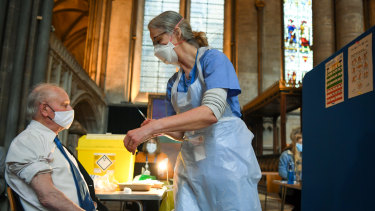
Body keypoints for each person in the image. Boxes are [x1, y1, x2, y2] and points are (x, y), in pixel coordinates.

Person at [123, 11, 261, 211]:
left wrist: (157, 126)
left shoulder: (213, 60)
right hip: (191, 164)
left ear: (176, 33)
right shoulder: (174, 83)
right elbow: (181, 133)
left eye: (158, 40)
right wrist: (155, 128)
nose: (155, 49)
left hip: (227, 159)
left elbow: (210, 113)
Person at [5, 83, 107, 211]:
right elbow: (48, 196)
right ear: (45, 110)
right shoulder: (28, 141)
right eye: (65, 105)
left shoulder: (55, 144)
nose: (71, 109)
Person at [278, 127, 303, 211]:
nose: (302, 145)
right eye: (300, 143)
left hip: (301, 189)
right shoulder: (286, 155)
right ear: (295, 142)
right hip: (288, 191)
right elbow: (282, 172)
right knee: (301, 199)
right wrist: (297, 179)